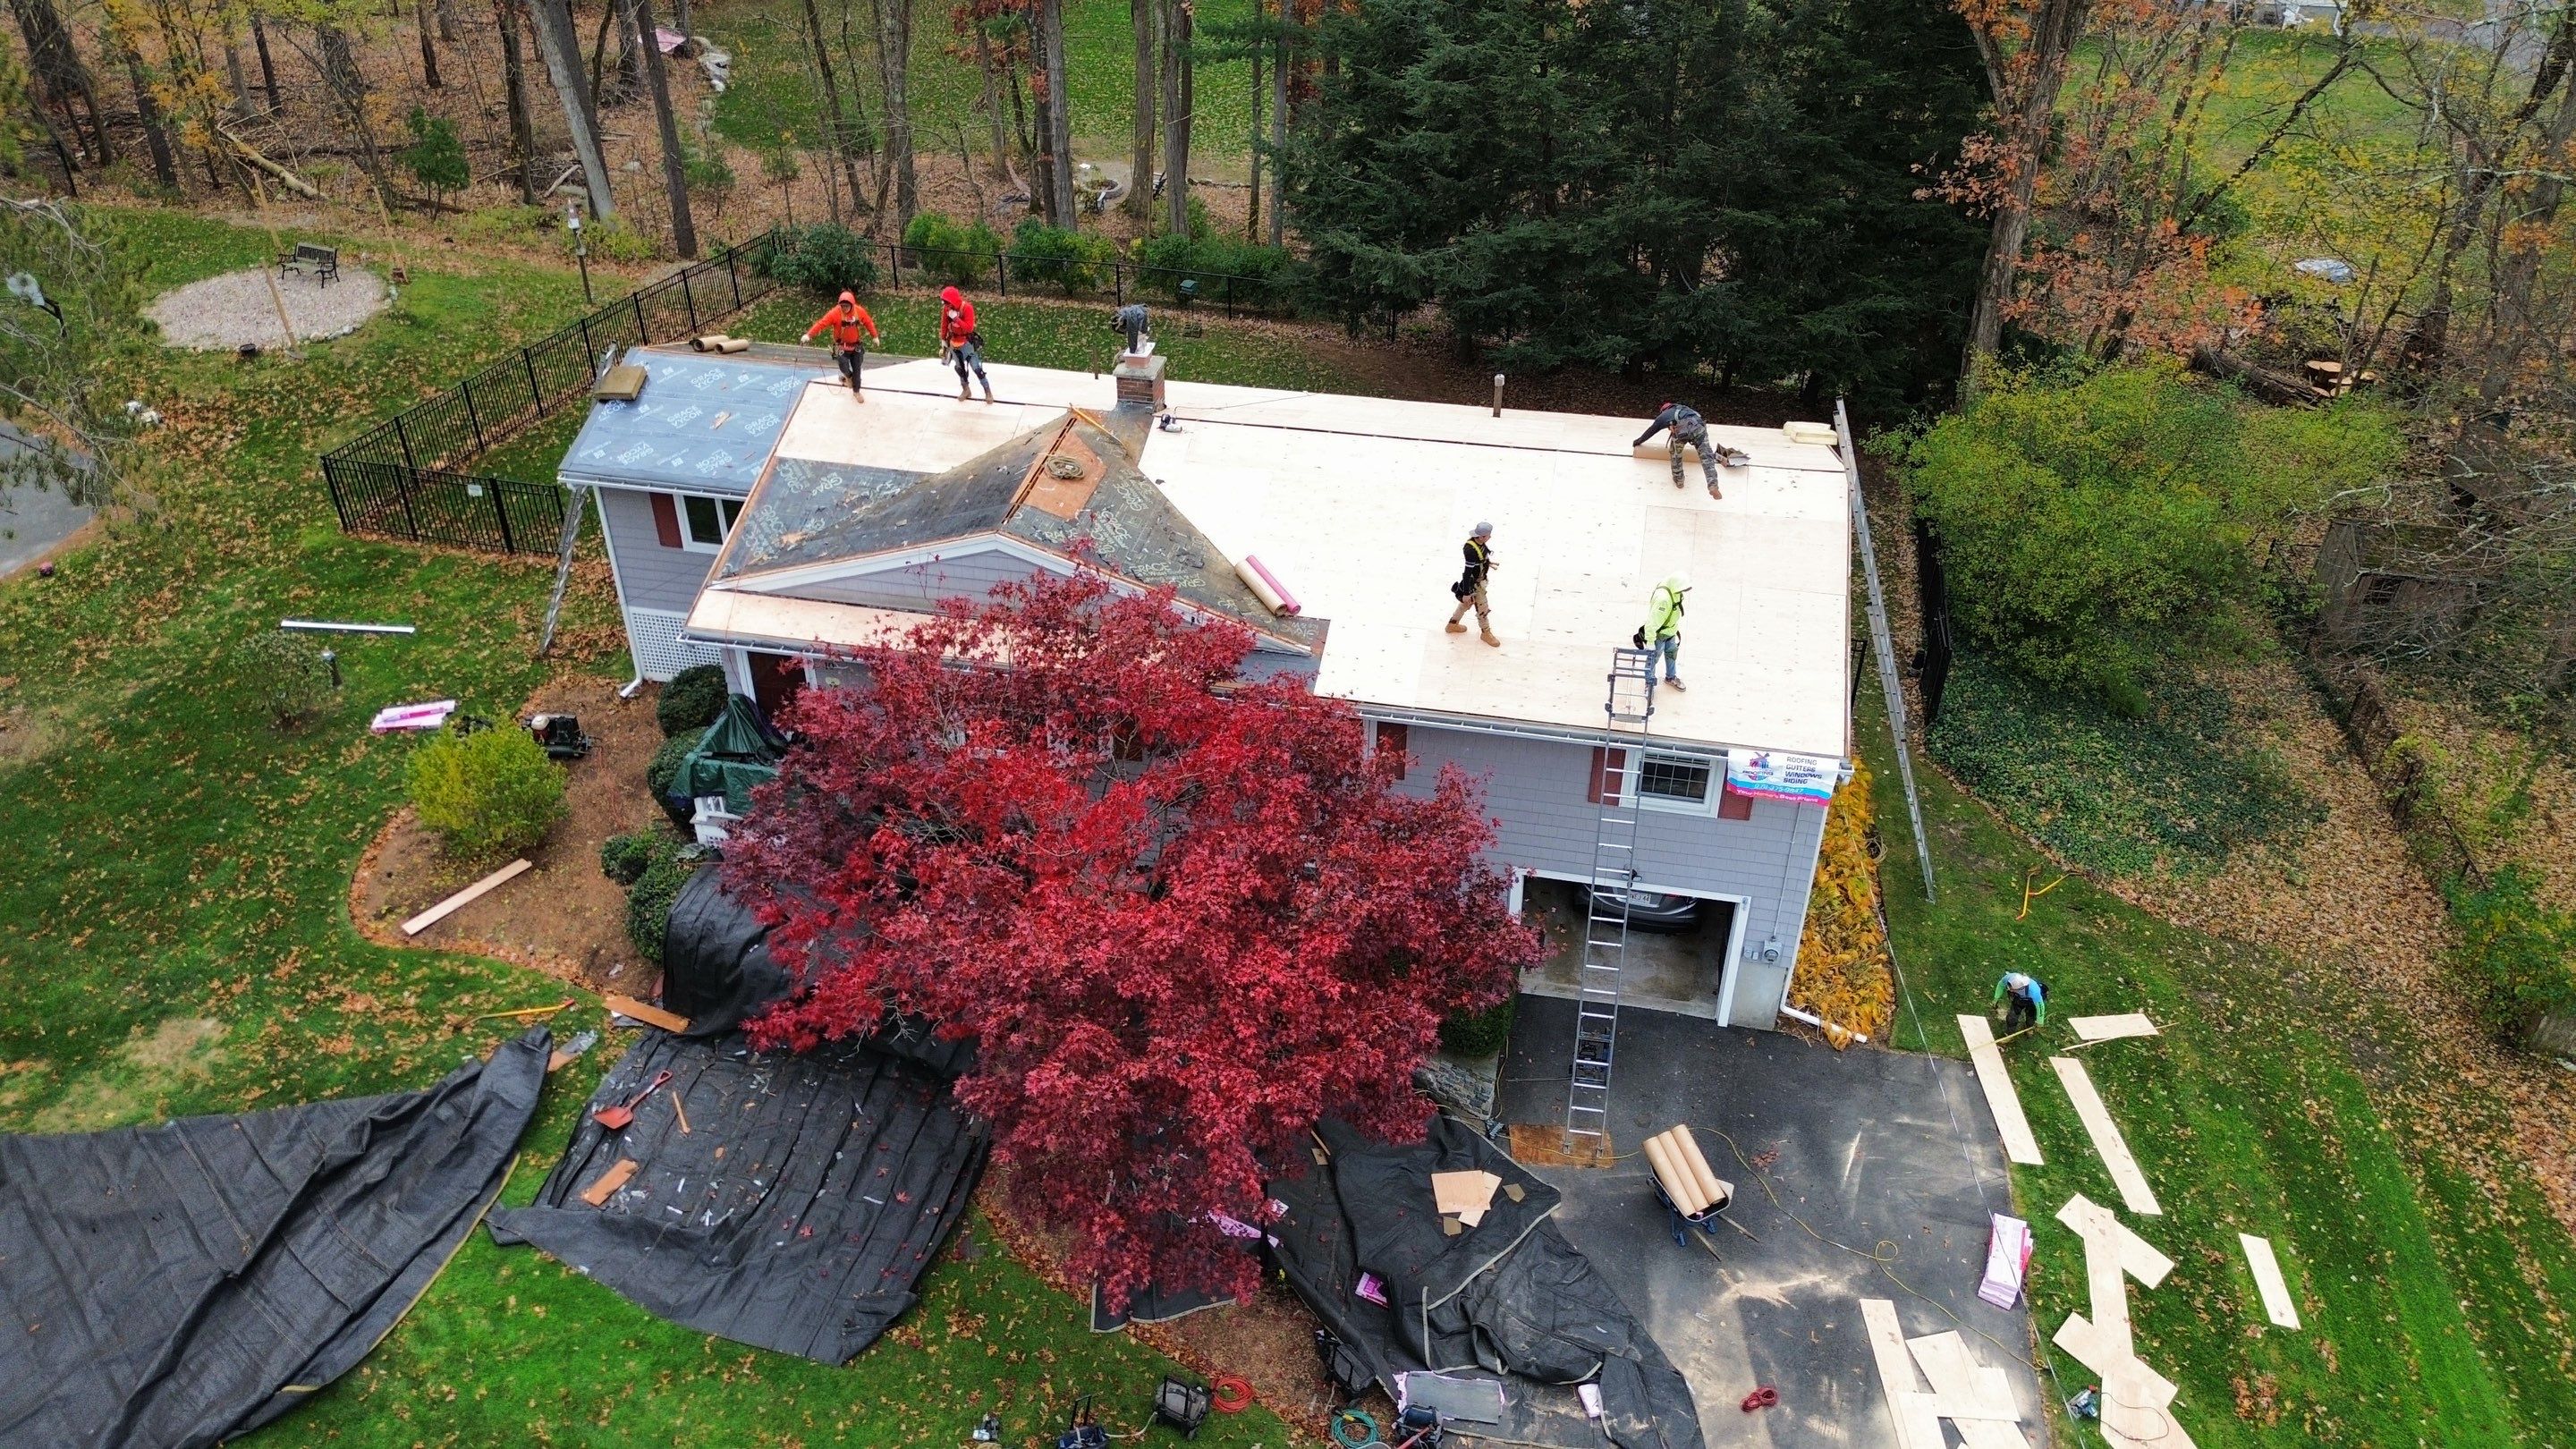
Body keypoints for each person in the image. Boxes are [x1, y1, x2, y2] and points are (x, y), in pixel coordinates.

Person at [1633, 402, 1749, 498]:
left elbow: (1651, 431)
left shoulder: (1663, 416)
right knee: (1707, 459)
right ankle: (1713, 485)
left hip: (1682, 431)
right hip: (1699, 428)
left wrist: (1638, 442)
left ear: (1664, 410)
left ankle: (1679, 480)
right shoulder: (1686, 409)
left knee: (1675, 453)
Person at [801, 291, 881, 400]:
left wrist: (875, 336)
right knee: (843, 365)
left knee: (857, 368)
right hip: (842, 346)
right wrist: (809, 335)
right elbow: (822, 323)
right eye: (842, 306)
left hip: (856, 346)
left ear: (852, 304)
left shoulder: (859, 311)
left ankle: (856, 391)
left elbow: (868, 322)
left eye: (847, 306)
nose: (844, 308)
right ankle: (848, 376)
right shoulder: (835, 313)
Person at [1445, 522, 1501, 647]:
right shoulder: (1470, 550)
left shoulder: (1480, 544)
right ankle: (1485, 632)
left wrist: (1488, 563)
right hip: (1474, 585)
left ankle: (1452, 624)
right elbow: (1467, 573)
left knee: (1465, 605)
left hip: (1479, 582)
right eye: (1487, 536)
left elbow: (1482, 558)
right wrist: (1466, 593)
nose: (1489, 538)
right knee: (1483, 609)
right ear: (1481, 537)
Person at [1634, 572, 1690, 691]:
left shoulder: (1674, 589)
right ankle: (1649, 683)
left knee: (1671, 655)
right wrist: (1650, 642)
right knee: (1653, 659)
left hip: (1671, 632)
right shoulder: (1663, 600)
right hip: (1659, 635)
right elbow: (1652, 623)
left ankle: (1670, 677)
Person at [938, 284, 994, 402]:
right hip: (954, 342)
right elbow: (944, 324)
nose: (946, 306)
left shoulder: (967, 308)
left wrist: (956, 319)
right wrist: (943, 340)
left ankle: (987, 391)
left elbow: (969, 328)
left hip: (967, 343)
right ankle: (966, 389)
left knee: (977, 369)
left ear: (953, 301)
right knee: (959, 368)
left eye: (947, 303)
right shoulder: (947, 309)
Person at [1993, 970, 2046, 1034]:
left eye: (2012, 989)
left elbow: (2040, 1006)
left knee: (2031, 1017)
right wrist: (1996, 998)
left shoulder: (2034, 991)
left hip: (2031, 1002)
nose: (2009, 989)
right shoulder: (2009, 977)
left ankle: (2028, 1028)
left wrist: (2040, 1021)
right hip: (2018, 999)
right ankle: (2010, 1033)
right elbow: (2001, 985)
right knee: (2012, 1017)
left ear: (2021, 987)